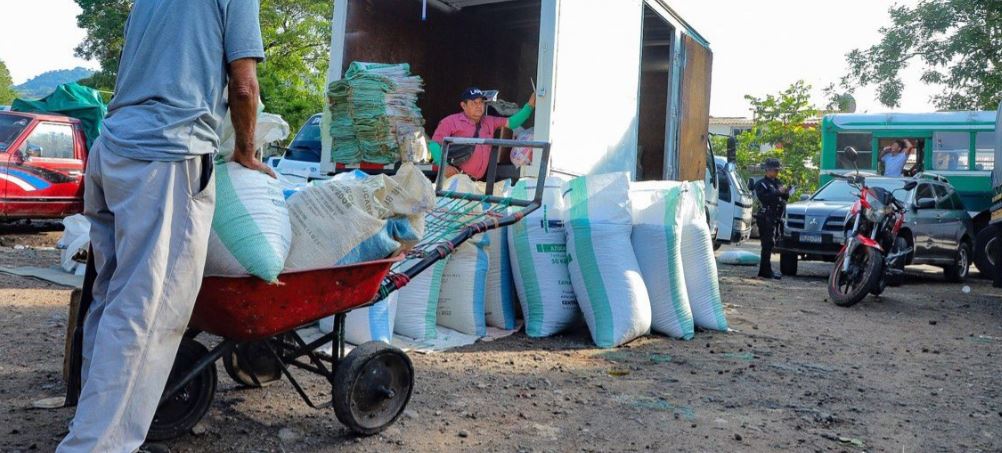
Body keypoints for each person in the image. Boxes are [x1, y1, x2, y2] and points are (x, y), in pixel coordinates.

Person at [57, 1, 269, 451]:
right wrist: (247, 151)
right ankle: (94, 445)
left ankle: (89, 424)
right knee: (148, 313)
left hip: (113, 150)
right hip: (167, 153)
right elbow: (245, 86)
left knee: (111, 300)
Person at [430, 87, 535, 180]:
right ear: (463, 105)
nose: (478, 106)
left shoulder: (490, 121)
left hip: (476, 182)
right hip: (453, 179)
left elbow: (512, 123)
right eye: (473, 103)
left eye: (481, 102)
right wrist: (444, 166)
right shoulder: (450, 121)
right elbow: (434, 144)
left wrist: (529, 106)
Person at [753, 158, 791, 280]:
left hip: (775, 216)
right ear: (767, 170)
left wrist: (785, 191)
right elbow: (764, 198)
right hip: (765, 216)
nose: (776, 172)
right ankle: (765, 271)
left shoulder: (778, 182)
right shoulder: (761, 184)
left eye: (777, 170)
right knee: (767, 243)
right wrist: (777, 192)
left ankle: (767, 269)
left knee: (771, 243)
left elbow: (784, 197)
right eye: (774, 170)